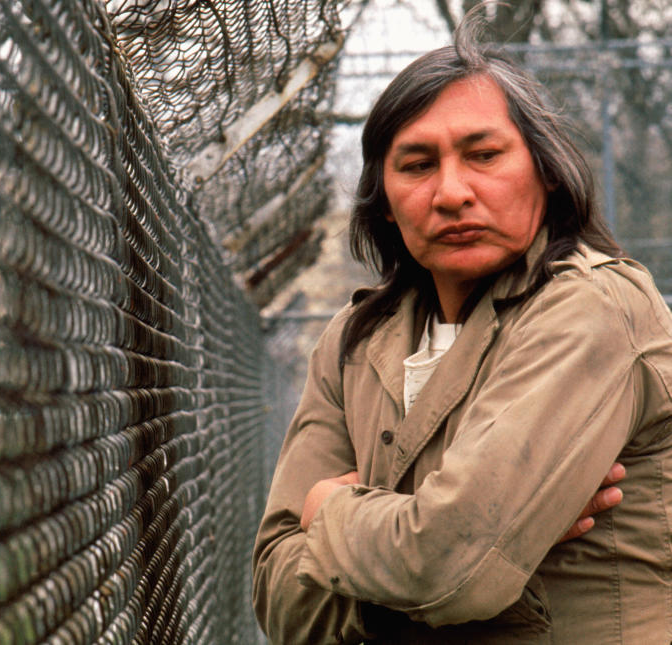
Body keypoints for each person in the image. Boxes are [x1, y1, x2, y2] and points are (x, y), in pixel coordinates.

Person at [252, 14, 672, 645]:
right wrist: (451, 538)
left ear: (547, 169)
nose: (451, 193)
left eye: (484, 155)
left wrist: (329, 513)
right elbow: (280, 600)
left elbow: (454, 564)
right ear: (385, 203)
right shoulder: (352, 344)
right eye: (417, 165)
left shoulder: (591, 308)